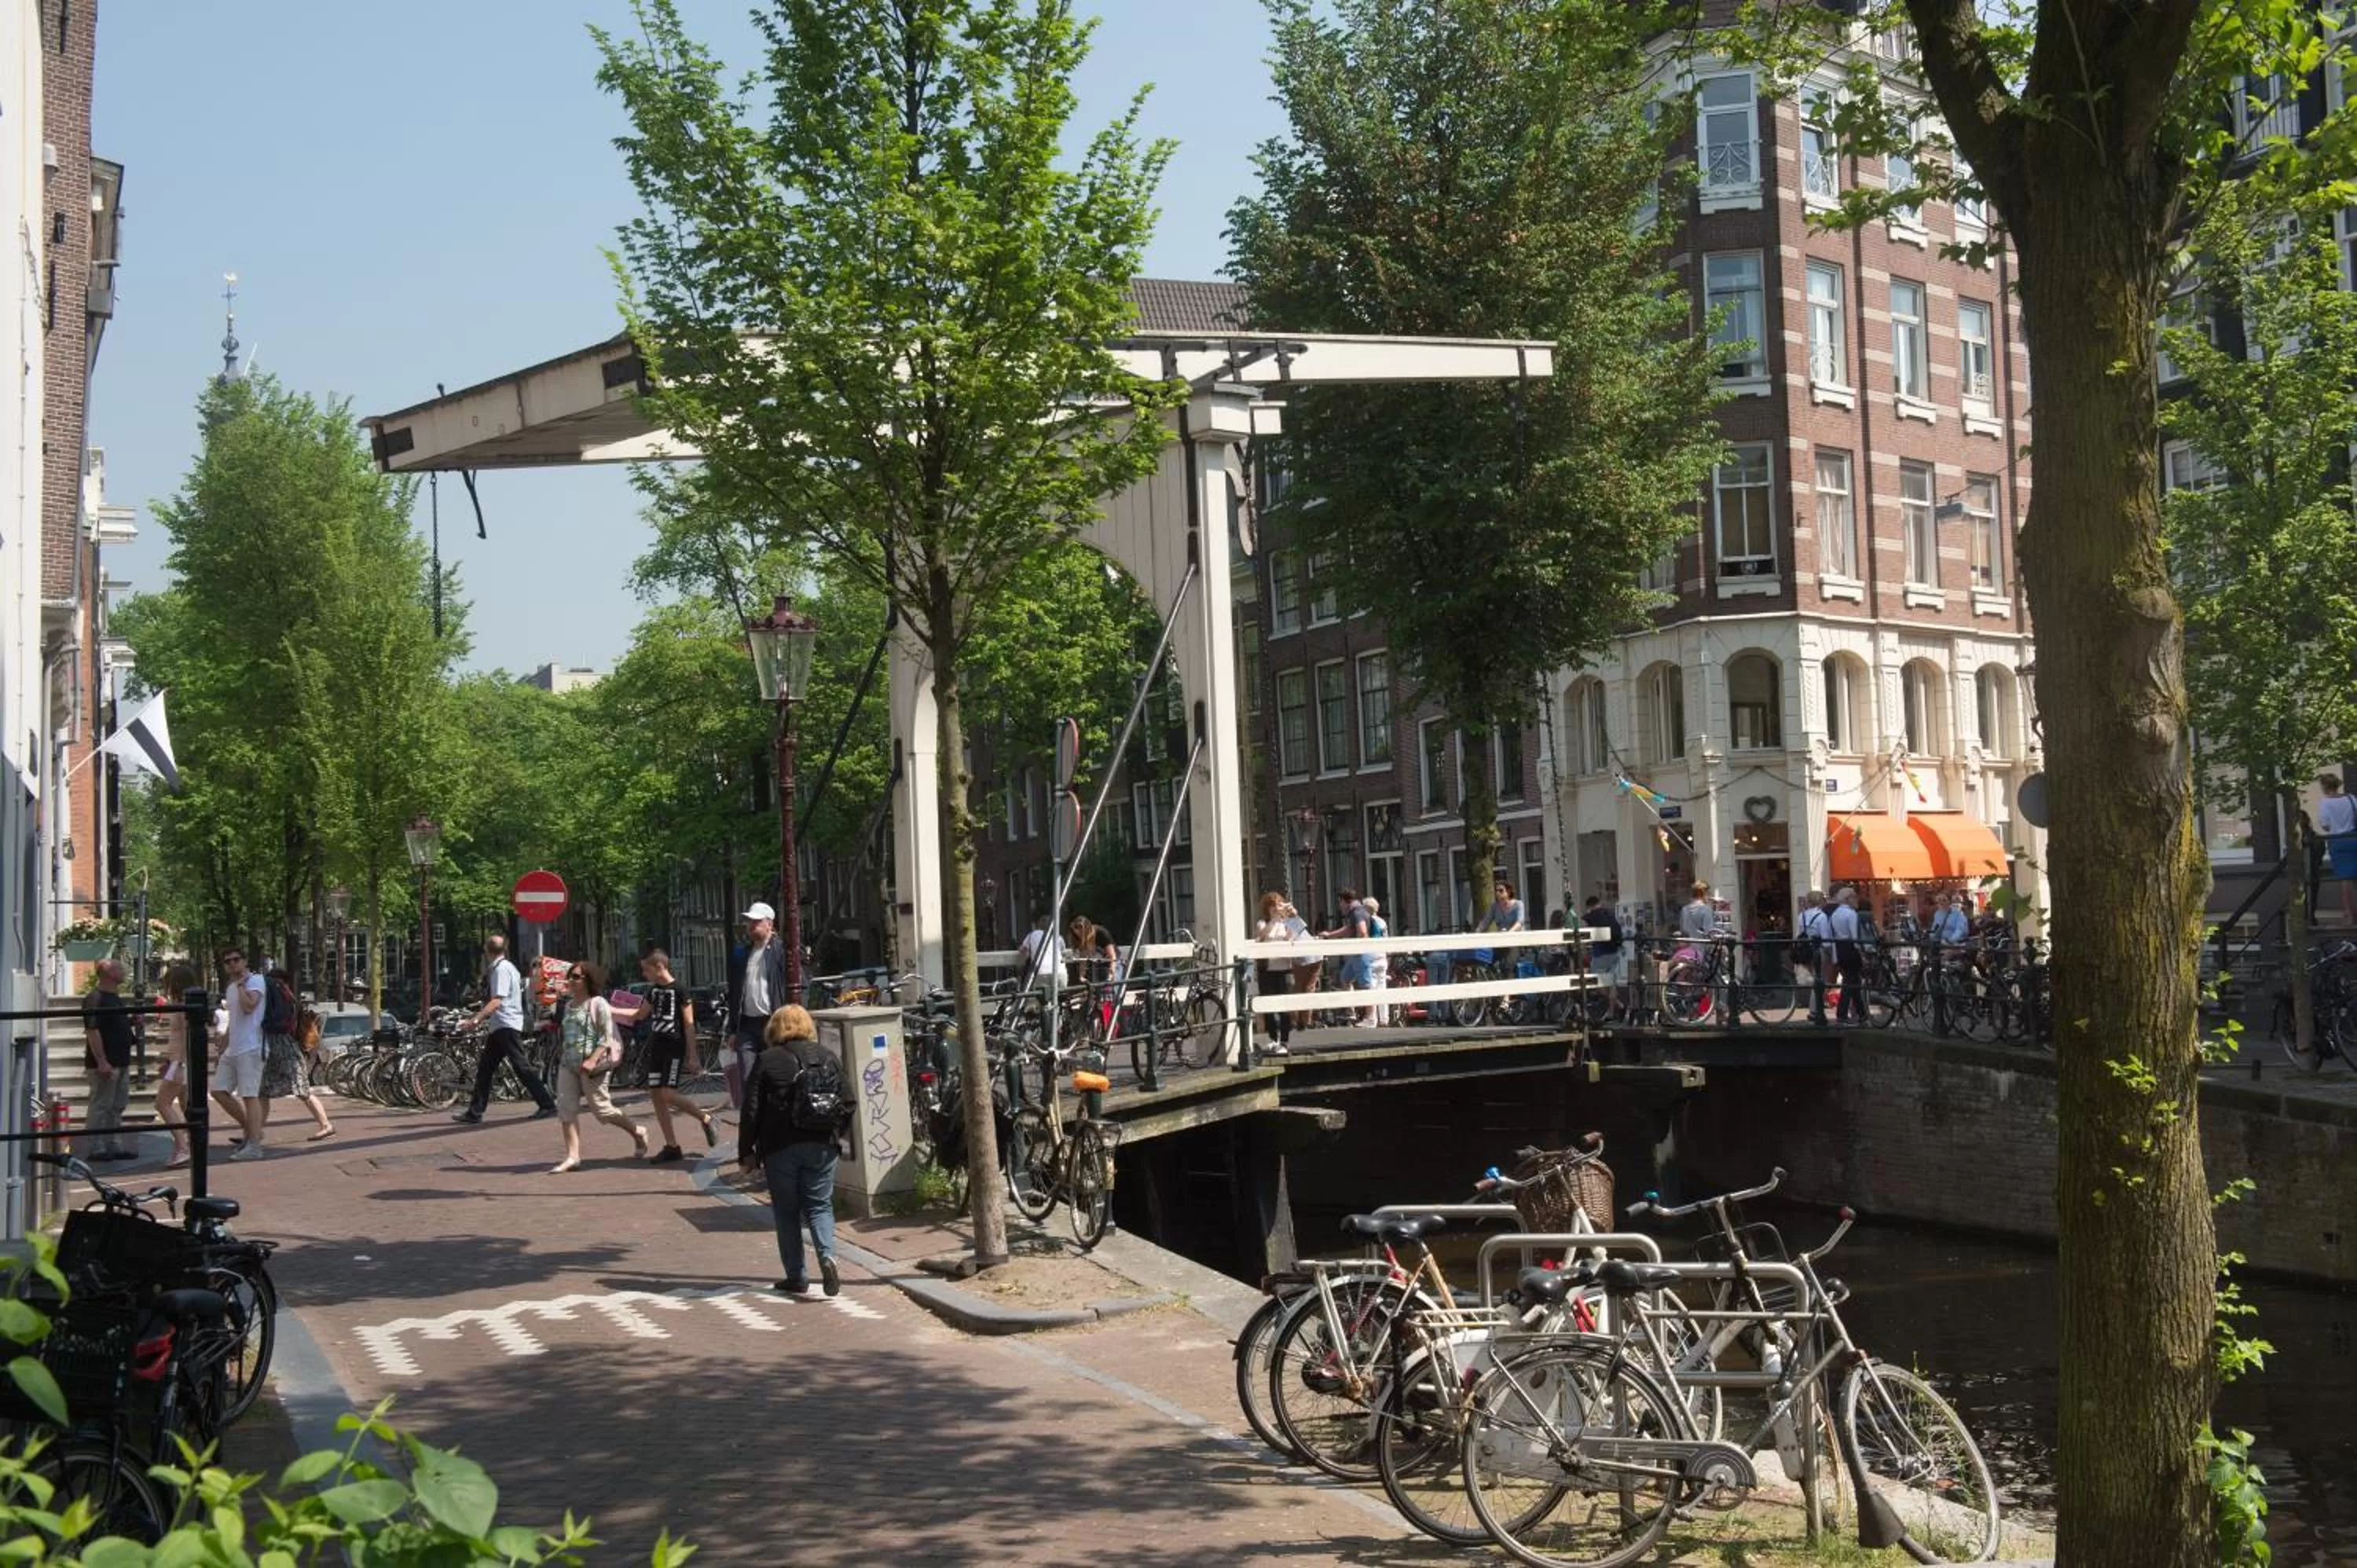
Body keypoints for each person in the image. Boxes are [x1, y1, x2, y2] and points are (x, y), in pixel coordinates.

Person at [739, 1005, 842, 1297]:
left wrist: (746, 1151)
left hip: (780, 1146)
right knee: (820, 1205)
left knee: (787, 1212)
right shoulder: (827, 1056)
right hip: (822, 1144)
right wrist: (836, 1133)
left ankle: (796, 1276)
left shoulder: (767, 1060)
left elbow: (751, 1109)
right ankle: (827, 1256)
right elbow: (847, 1100)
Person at [548, 962, 651, 1174]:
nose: (572, 980)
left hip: (593, 1066)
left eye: (576, 976)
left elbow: (606, 1038)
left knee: (603, 1111)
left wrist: (592, 1060)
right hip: (569, 1065)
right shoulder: (568, 1006)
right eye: (571, 976)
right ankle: (573, 1157)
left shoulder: (598, 1003)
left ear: (587, 980)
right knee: (566, 1110)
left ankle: (638, 1131)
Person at [614, 948, 715, 1163]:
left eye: (646, 969)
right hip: (657, 1047)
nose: (644, 974)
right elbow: (639, 1014)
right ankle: (672, 1146)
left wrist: (692, 1055)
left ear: (659, 967)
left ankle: (705, 1117)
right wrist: (611, 1010)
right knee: (656, 1097)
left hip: (674, 1048)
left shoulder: (680, 990)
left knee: (668, 1094)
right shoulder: (652, 991)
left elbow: (688, 1025)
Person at [455, 934, 556, 1124]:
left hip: (506, 1025)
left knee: (521, 1066)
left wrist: (475, 1020)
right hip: (501, 1025)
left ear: (487, 951)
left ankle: (547, 1104)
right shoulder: (509, 967)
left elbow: (497, 1000)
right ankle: (475, 1111)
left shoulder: (501, 970)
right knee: (486, 1068)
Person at [728, 903, 790, 1108]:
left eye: (756, 921)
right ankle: (755, 1125)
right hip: (746, 1026)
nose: (751, 925)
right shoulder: (741, 954)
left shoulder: (781, 951)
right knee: (748, 1079)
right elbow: (735, 992)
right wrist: (732, 1030)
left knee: (775, 1076)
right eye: (749, 922)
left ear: (769, 924)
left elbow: (795, 985)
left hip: (773, 1024)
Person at [213, 950, 269, 1160]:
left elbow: (249, 1007)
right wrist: (223, 1044)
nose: (232, 964)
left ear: (245, 961)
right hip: (233, 1048)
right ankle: (252, 1130)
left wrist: (241, 985)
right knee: (218, 1090)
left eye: (236, 960)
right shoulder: (230, 988)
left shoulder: (256, 981)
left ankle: (254, 1146)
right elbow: (235, 1018)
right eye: (227, 962)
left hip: (252, 1047)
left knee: (249, 1095)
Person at [80, 961, 136, 1163]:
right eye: (120, 968)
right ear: (108, 973)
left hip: (121, 1061)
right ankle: (96, 1147)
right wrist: (102, 1061)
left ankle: (114, 1144)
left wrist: (130, 1023)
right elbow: (92, 1030)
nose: (124, 972)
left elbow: (111, 1024)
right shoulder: (95, 998)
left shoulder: (115, 998)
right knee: (101, 1104)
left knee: (117, 1105)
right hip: (106, 1064)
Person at [153, 963, 196, 1168]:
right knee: (187, 1104)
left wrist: (175, 1062)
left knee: (162, 1103)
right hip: (180, 1061)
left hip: (181, 1062)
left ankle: (182, 1147)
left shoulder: (182, 1005)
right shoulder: (184, 1003)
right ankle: (191, 1142)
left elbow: (184, 1036)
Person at [277, 1006, 337, 1142]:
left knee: (302, 1091)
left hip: (288, 1052)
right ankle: (252, 1132)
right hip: (286, 1051)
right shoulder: (284, 998)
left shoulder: (278, 1000)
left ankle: (326, 1125)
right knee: (262, 1092)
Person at [1253, 892, 1299, 1057]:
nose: (1275, 908)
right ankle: (1273, 1038)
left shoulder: (1287, 924)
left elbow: (1295, 936)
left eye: (1278, 904)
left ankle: (1285, 1040)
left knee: (1284, 1007)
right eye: (1272, 905)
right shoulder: (1263, 923)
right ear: (1267, 908)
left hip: (1284, 969)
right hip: (1267, 971)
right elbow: (1262, 936)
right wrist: (1274, 919)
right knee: (1269, 1007)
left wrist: (1293, 917)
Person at [2319, 775, 2357, 925]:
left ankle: (2348, 913)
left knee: (2345, 878)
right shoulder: (2351, 799)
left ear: (2325, 787)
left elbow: (2325, 825)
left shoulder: (2326, 803)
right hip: (2354, 838)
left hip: (2338, 841)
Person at [1830, 887, 1868, 1026]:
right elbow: (1855, 936)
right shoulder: (1851, 914)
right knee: (1850, 983)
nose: (1856, 899)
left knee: (1853, 981)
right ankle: (1842, 1015)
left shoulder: (1835, 914)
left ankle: (1862, 1014)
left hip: (1840, 948)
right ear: (1848, 899)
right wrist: (1862, 953)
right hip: (1851, 949)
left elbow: (1833, 935)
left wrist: (1835, 957)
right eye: (1854, 897)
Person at [1583, 896, 1626, 1019]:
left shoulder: (1591, 916)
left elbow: (1586, 935)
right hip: (1614, 951)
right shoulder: (1610, 914)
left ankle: (1618, 1005)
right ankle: (1613, 1011)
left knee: (1596, 982)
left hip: (1600, 954)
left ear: (1589, 907)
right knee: (1612, 983)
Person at [1362, 896, 1391, 1026]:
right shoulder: (1382, 922)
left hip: (1372, 958)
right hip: (1382, 957)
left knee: (1371, 987)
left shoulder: (1367, 921)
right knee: (1382, 988)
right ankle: (1384, 1018)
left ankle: (1372, 1019)